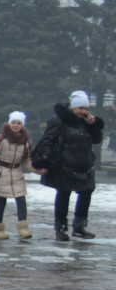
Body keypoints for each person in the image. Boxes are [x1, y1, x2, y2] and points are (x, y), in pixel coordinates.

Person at [35, 90, 104, 242]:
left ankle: (79, 226)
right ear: (73, 107)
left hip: (84, 165)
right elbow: (48, 141)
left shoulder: (85, 122)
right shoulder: (59, 121)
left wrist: (93, 124)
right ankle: (60, 228)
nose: (84, 111)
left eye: (86, 108)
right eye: (81, 108)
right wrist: (43, 162)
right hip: (65, 166)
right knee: (64, 195)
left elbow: (97, 139)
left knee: (87, 192)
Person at [0, 110, 39, 241]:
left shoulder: (25, 142)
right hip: (2, 172)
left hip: (16, 173)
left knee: (21, 200)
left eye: (19, 123)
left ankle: (23, 228)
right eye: (14, 122)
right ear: (9, 123)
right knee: (1, 201)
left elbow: (26, 160)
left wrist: (37, 170)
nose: (16, 125)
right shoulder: (1, 139)